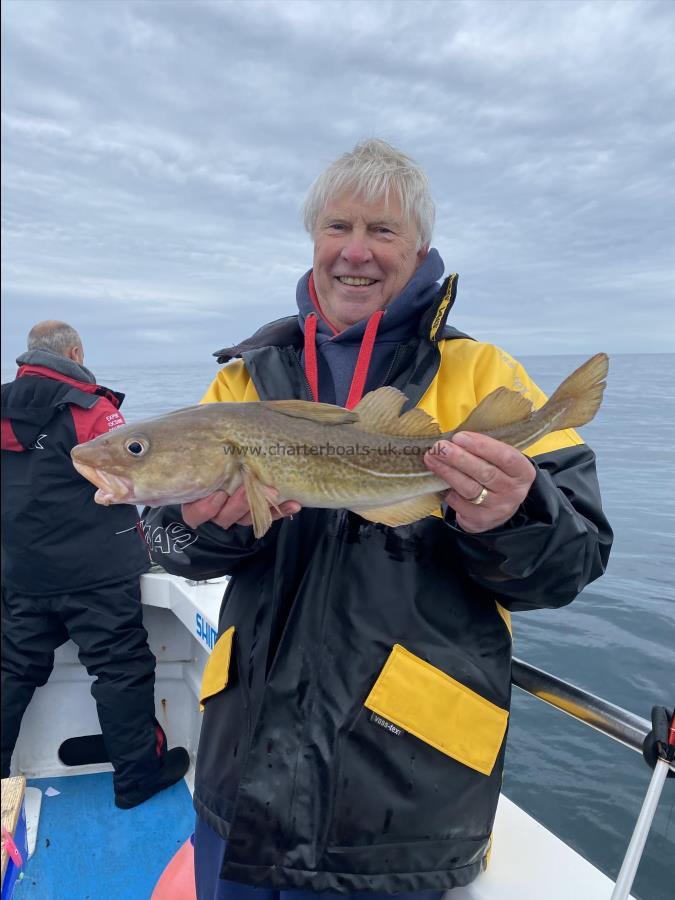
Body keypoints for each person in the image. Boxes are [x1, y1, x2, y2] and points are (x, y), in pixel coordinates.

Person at [142, 140, 613, 897]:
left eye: (382, 231)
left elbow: (574, 558)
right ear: (313, 240)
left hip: (401, 798)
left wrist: (512, 513)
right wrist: (212, 525)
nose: (354, 252)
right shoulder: (238, 382)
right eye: (337, 228)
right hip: (242, 779)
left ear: (419, 248)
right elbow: (171, 545)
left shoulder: (485, 375)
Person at [1, 320, 189, 808]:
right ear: (75, 352)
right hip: (96, 571)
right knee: (120, 667)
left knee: (13, 667)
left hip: (21, 570)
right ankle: (136, 780)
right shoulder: (91, 407)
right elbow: (132, 474)